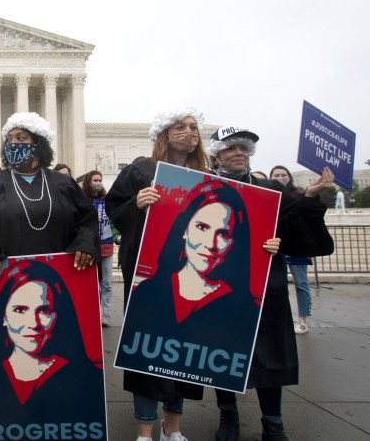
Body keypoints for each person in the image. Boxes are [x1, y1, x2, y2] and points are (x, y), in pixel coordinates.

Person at [207, 126, 334, 441]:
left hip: (265, 287)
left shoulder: (270, 190)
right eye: (231, 147)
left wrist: (310, 198)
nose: (239, 153)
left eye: (243, 148)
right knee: (222, 355)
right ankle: (228, 416)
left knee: (270, 357)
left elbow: (294, 231)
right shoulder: (205, 188)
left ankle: (273, 423)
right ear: (216, 155)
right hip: (220, 288)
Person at [106, 104, 209, 441]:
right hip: (149, 278)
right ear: (165, 134)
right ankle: (145, 430)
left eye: (193, 127)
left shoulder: (207, 177)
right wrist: (136, 204)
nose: (188, 132)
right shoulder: (140, 170)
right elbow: (114, 208)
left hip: (190, 277)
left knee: (183, 355)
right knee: (145, 352)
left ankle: (173, 428)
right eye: (180, 127)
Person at [116, 179, 278, 391]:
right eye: (202, 227)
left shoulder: (244, 309)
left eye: (223, 233)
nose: (211, 244)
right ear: (184, 229)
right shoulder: (147, 292)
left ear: (234, 242)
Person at [0, 259, 106, 427]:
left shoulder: (88, 379)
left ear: (59, 315)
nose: (33, 323)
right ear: (3, 317)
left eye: (44, 310)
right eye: (20, 310)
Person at [0, 112, 98, 279]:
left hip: (58, 276)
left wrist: (84, 244)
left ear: (38, 144)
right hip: (4, 277)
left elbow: (87, 221)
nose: (13, 143)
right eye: (9, 139)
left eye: (21, 138)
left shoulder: (64, 184)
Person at [270, 165, 313, 334]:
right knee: (278, 285)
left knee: (301, 283)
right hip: (276, 246)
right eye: (276, 175)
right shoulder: (269, 194)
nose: (280, 177)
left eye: (283, 174)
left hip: (295, 246)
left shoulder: (298, 195)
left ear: (289, 176)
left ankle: (303, 318)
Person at [82, 170, 115, 327]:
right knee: (92, 283)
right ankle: (92, 313)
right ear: (88, 182)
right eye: (95, 180)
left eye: (100, 180)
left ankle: (106, 315)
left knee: (107, 283)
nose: (98, 182)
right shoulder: (83, 200)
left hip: (107, 246)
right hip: (90, 248)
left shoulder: (107, 200)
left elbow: (114, 220)